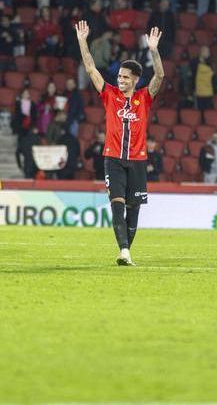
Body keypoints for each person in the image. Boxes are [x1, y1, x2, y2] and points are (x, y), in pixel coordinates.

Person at [76, 20, 165, 266]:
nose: (121, 80)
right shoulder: (109, 94)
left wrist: (154, 50)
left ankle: (126, 251)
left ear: (135, 79)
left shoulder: (144, 98)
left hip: (137, 160)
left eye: (125, 77)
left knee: (133, 211)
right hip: (113, 159)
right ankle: (124, 251)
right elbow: (91, 68)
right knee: (117, 205)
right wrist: (83, 42)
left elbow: (160, 75)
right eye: (119, 76)